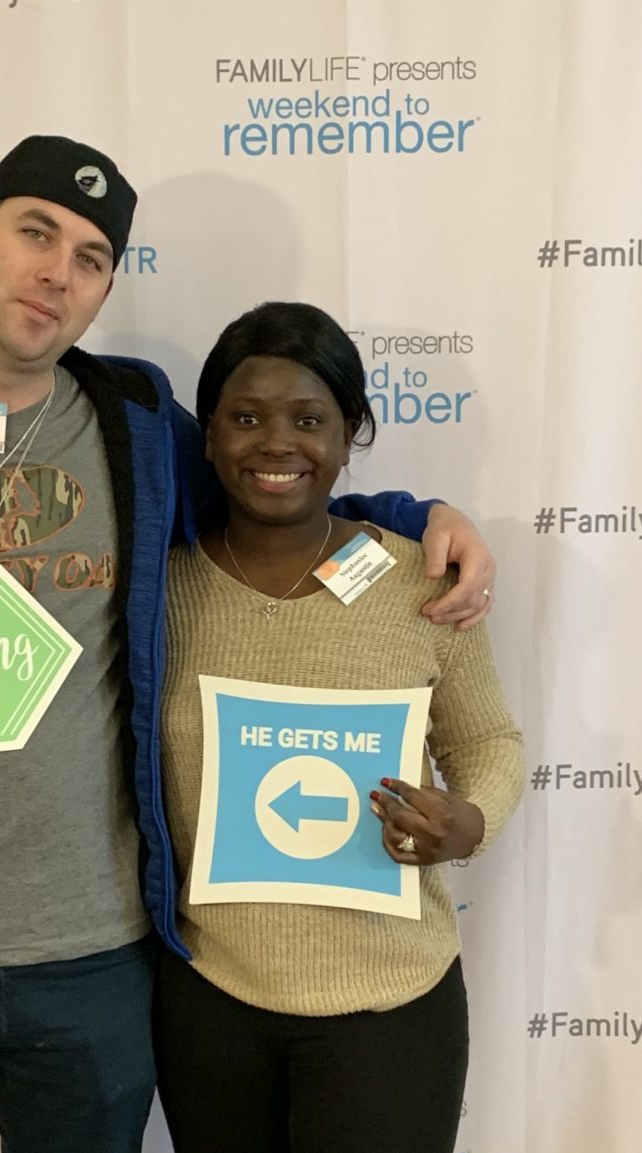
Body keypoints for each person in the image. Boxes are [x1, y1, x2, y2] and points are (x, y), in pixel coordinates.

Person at [0, 138, 495, 1153]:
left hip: (95, 966)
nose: (56, 272)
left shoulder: (139, 428)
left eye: (90, 257)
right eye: (35, 233)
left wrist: (417, 518)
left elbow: (272, 492)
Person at [154, 302, 524, 1153]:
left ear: (351, 433)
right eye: (246, 418)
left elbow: (487, 742)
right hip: (210, 1001)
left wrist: (470, 821)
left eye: (309, 419)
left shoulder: (421, 582)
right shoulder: (160, 593)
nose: (276, 444)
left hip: (393, 1007)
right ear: (207, 437)